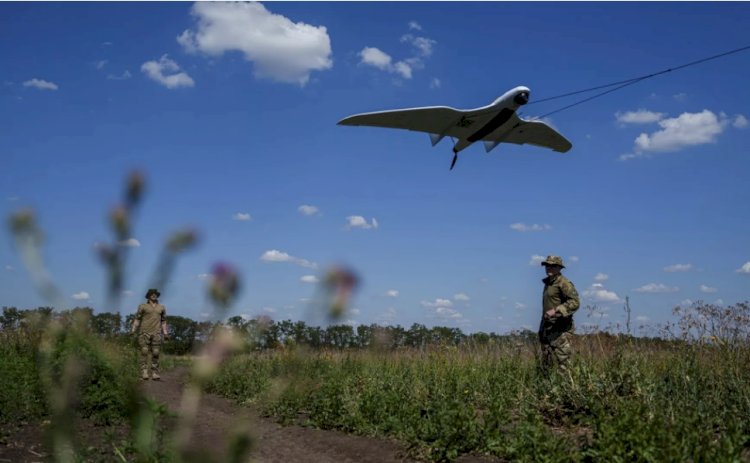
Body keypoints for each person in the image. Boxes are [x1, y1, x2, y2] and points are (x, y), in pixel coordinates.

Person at [538, 256, 580, 372]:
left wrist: (556, 310)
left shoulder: (564, 283)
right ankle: (547, 387)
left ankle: (567, 388)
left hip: (561, 330)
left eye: (553, 266)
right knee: (546, 364)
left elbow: (575, 302)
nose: (549, 268)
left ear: (559, 268)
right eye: (547, 265)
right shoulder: (548, 283)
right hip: (548, 328)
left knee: (564, 364)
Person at [131, 288, 168, 380]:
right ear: (148, 295)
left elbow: (163, 321)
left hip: (157, 333)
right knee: (144, 351)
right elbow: (137, 319)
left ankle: (155, 372)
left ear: (157, 295)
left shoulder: (162, 307)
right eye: (151, 293)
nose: (153, 295)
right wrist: (133, 330)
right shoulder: (143, 306)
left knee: (156, 352)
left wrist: (166, 333)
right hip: (144, 332)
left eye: (155, 293)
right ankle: (144, 372)